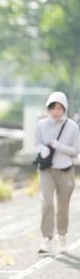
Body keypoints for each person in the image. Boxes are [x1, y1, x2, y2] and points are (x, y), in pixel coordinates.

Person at [35, 91, 80, 254]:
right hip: (46, 170)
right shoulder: (41, 125)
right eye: (53, 107)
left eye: (60, 108)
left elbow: (76, 151)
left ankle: (62, 236)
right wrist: (43, 149)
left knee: (63, 206)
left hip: (65, 170)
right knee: (47, 202)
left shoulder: (72, 127)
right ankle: (46, 238)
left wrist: (57, 145)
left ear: (65, 109)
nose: (56, 111)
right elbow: (36, 143)